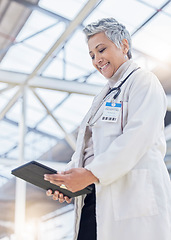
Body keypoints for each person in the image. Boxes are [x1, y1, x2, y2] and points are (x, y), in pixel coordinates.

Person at [44, 18, 171, 240]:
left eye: (101, 49)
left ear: (124, 45)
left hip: (130, 197)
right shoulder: (102, 97)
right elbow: (86, 149)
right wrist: (65, 179)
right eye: (92, 55)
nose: (97, 59)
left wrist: (92, 173)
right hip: (95, 196)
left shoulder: (143, 81)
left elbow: (137, 137)